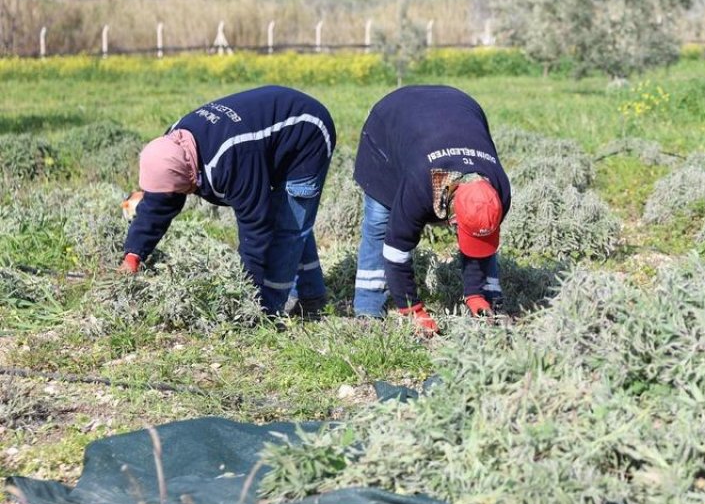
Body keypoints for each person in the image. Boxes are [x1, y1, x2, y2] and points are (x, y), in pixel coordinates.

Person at [120, 85, 336, 316]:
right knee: (290, 219)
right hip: (266, 134)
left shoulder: (230, 160)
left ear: (187, 175)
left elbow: (256, 227)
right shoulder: (170, 147)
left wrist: (246, 296)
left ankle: (270, 309)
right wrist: (134, 253)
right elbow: (157, 204)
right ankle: (312, 295)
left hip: (307, 132)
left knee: (288, 227)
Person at [352, 85, 511, 334]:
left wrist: (475, 294)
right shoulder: (419, 186)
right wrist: (412, 309)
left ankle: (490, 302)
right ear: (453, 217)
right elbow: (396, 251)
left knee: (480, 240)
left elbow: (480, 241)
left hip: (458, 107)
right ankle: (368, 309)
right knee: (379, 222)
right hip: (390, 121)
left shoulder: (498, 191)